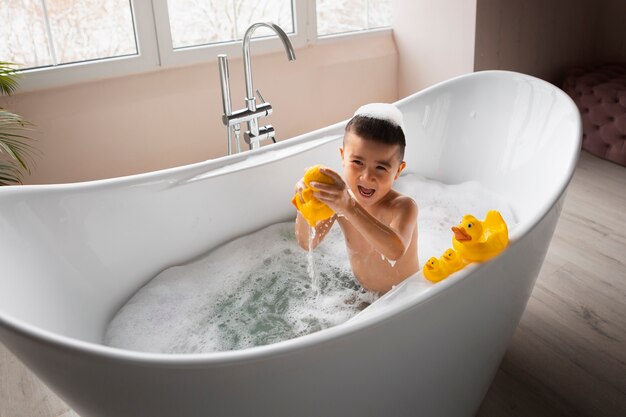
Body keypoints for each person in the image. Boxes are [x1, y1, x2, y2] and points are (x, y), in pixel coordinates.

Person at [294, 103, 419, 294]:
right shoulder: (341, 201)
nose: (367, 177)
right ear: (343, 157)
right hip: (366, 296)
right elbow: (308, 243)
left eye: (381, 167)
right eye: (357, 162)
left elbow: (395, 251)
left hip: (406, 297)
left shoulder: (403, 207)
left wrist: (349, 207)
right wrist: (304, 203)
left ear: (398, 171)